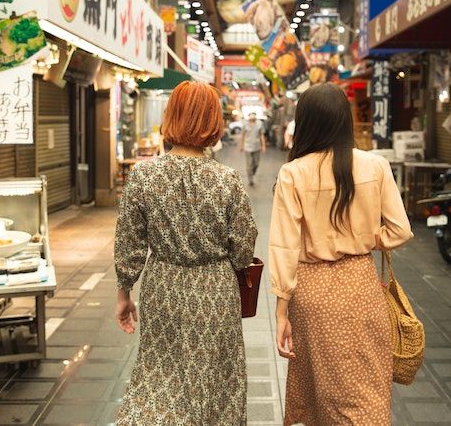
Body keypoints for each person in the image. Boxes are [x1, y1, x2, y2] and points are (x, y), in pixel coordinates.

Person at [268, 83, 414, 426]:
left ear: (305, 123)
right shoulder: (375, 166)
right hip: (362, 288)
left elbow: (284, 247)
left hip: (313, 295)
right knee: (367, 390)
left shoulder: (292, 173)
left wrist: (281, 311)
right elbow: (401, 230)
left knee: (320, 390)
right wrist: (366, 237)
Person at [114, 81, 257, 425]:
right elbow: (242, 250)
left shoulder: (143, 176)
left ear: (171, 117)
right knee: (215, 381)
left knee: (159, 377)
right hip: (215, 293)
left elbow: (128, 243)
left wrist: (123, 295)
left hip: (163, 287)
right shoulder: (228, 180)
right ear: (213, 122)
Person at [239, 112, 266, 186]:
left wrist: (263, 145)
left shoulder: (259, 124)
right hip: (247, 147)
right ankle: (250, 179)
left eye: (253, 116)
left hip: (257, 146)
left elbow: (261, 135)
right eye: (251, 116)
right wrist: (241, 145)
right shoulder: (245, 124)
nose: (252, 117)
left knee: (256, 163)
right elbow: (242, 135)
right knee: (249, 164)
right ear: (248, 117)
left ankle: (252, 172)